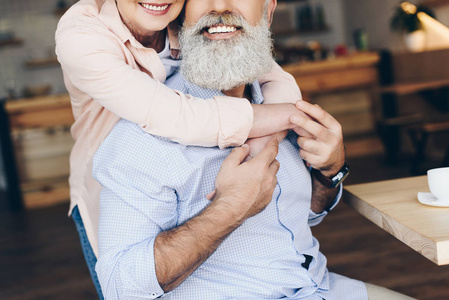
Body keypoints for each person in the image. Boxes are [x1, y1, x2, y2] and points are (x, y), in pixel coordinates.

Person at [93, 0, 416, 299]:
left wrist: (330, 171)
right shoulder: (141, 138)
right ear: (181, 15)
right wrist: (230, 208)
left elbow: (303, 214)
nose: (219, 6)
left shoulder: (281, 101)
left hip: (318, 287)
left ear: (268, 8)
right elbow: (120, 286)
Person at [55, 0, 306, 296]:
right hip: (113, 187)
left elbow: (273, 76)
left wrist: (268, 140)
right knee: (130, 284)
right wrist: (286, 117)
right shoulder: (80, 33)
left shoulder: (185, 20)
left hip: (182, 180)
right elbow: (178, 117)